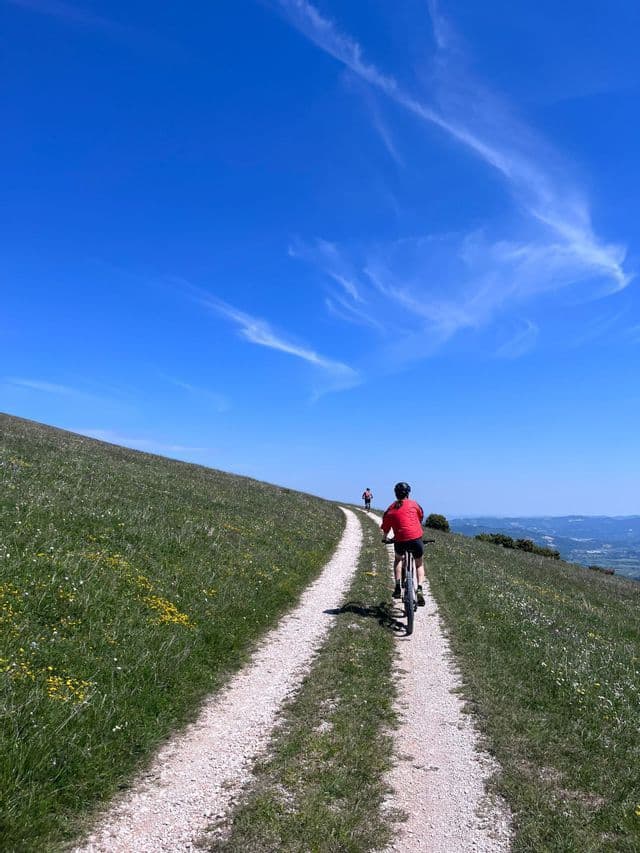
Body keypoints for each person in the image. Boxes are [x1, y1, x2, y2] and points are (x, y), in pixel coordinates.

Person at [380, 482, 426, 607]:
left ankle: (397, 587)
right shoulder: (414, 504)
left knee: (398, 560)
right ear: (408, 493)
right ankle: (420, 588)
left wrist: (385, 538)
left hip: (400, 540)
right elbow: (420, 516)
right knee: (419, 564)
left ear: (396, 494)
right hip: (416, 539)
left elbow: (385, 525)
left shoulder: (391, 508)